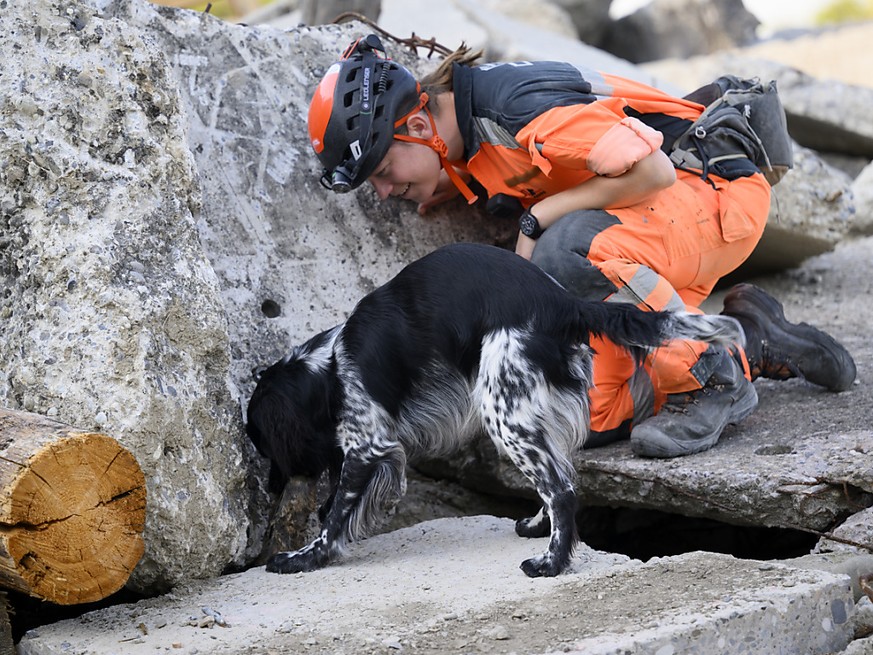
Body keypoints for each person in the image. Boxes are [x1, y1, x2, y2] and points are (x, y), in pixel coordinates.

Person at [305, 34, 857, 458]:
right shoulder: (462, 140)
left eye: (381, 170)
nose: (382, 191)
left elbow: (653, 170)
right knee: (575, 419)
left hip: (709, 191)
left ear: (420, 124)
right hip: (646, 233)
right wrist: (435, 184)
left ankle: (708, 373)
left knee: (563, 247)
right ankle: (750, 339)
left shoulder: (514, 106)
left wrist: (537, 217)